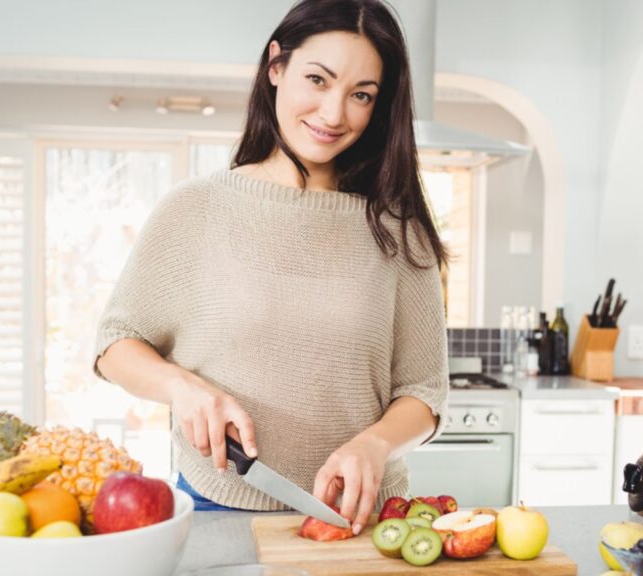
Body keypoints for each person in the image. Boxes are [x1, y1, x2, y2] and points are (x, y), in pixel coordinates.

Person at [93, 0, 449, 536]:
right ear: (275, 67)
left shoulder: (399, 231)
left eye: (361, 96)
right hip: (218, 504)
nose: (334, 114)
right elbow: (116, 343)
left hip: (363, 518)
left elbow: (424, 392)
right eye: (317, 79)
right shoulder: (196, 208)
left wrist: (376, 444)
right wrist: (183, 387)